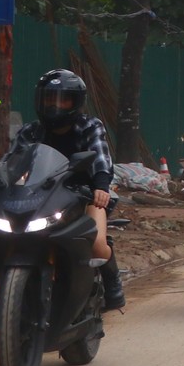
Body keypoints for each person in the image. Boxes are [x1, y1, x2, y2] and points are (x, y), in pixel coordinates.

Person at [11, 69, 123, 311]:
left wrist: (101, 187)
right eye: (50, 99)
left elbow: (100, 158)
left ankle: (112, 281)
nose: (56, 106)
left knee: (96, 244)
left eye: (64, 99)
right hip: (42, 198)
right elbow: (12, 164)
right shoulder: (31, 132)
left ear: (76, 102)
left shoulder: (90, 126)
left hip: (85, 196)